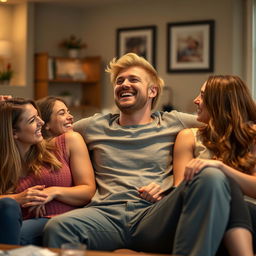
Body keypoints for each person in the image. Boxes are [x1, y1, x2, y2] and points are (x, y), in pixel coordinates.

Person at [43, 53, 244, 256]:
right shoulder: (92, 125)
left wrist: (165, 193)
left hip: (154, 215)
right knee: (59, 226)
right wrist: (12, 117)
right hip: (104, 215)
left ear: (152, 91)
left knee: (211, 175)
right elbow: (42, 135)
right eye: (119, 81)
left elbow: (228, 121)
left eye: (133, 79)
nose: (124, 84)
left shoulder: (174, 122)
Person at [173, 75, 256, 255]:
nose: (196, 100)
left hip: (251, 216)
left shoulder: (253, 136)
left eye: (202, 95)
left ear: (221, 102)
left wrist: (222, 168)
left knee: (226, 183)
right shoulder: (188, 136)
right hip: (206, 212)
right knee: (223, 185)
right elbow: (180, 190)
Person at [0, 98, 96, 245]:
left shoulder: (67, 141)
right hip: (18, 225)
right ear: (14, 133)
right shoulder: (5, 165)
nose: (42, 122)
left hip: (61, 221)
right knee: (8, 205)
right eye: (32, 120)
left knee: (19, 236)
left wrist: (52, 192)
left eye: (38, 116)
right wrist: (18, 198)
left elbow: (88, 191)